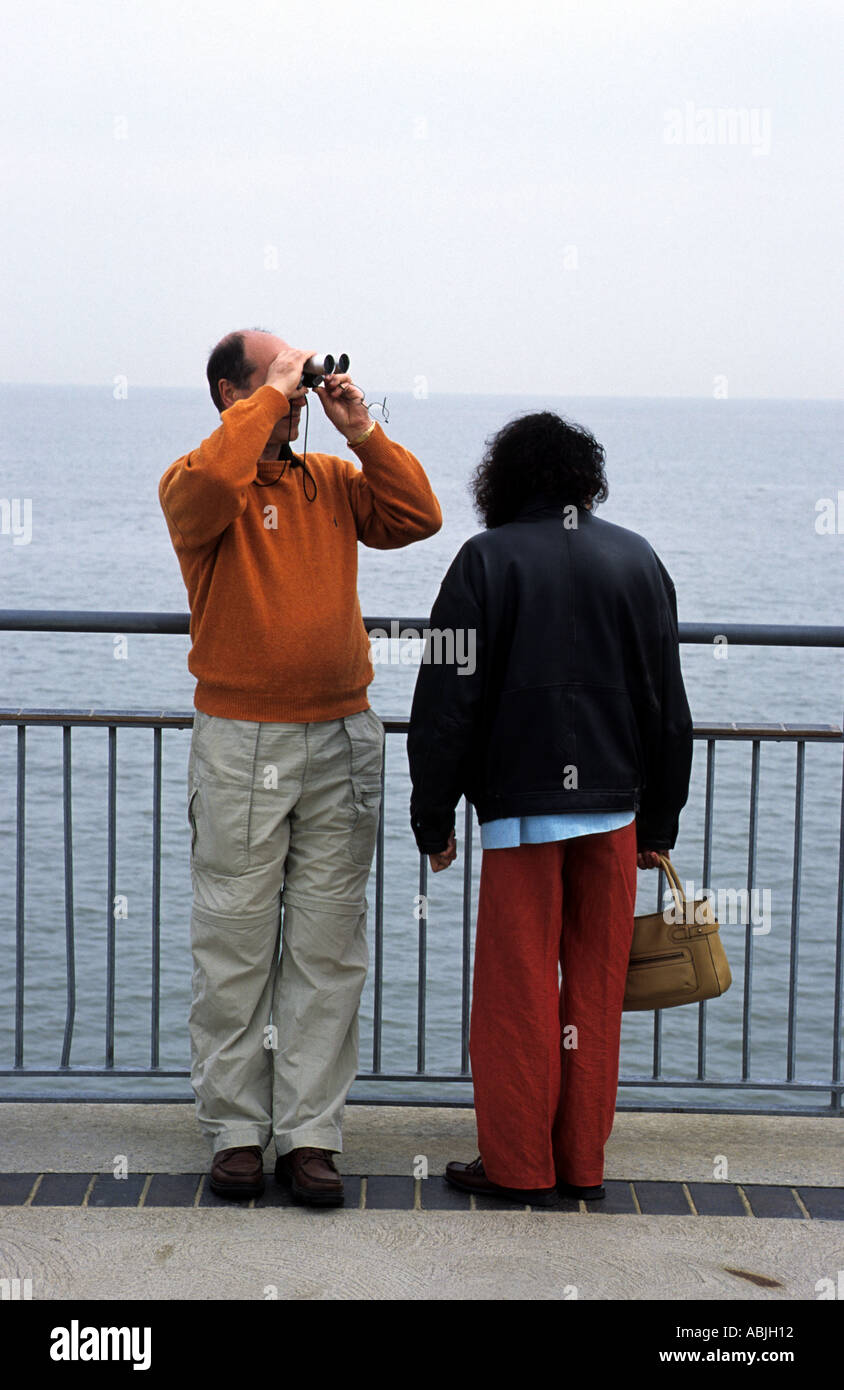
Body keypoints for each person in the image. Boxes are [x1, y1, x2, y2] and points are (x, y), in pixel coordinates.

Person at [159, 329, 442, 1205]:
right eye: (276, 374)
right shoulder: (198, 482)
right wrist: (273, 398)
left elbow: (417, 516)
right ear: (227, 393)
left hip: (341, 735)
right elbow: (213, 483)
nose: (296, 389)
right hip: (243, 738)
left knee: (328, 948)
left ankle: (311, 1136)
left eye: (299, 375)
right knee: (235, 943)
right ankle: (237, 1131)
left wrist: (360, 428)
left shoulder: (330, 481)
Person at [407, 410, 693, 1204]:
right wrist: (659, 823)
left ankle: (518, 1167)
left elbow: (444, 704)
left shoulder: (483, 561)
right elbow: (669, 707)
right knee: (596, 992)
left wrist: (433, 819)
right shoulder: (638, 561)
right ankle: (582, 1167)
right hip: (616, 815)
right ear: (583, 478)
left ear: (503, 479)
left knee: (518, 990)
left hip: (523, 817)